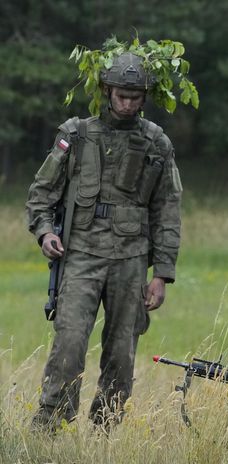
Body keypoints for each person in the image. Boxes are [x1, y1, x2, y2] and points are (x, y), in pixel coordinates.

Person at [26, 51, 182, 430]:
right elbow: (41, 194)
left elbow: (167, 209)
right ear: (106, 90)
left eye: (135, 96)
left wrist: (162, 272)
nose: (127, 104)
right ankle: (51, 426)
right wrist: (45, 232)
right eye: (121, 95)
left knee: (121, 354)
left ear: (145, 96)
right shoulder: (76, 134)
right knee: (69, 345)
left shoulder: (156, 143)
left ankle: (106, 429)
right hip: (79, 255)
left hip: (130, 261)